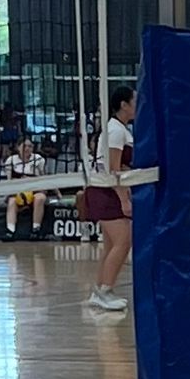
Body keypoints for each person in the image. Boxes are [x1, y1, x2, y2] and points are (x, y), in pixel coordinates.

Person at [83, 83, 135, 315]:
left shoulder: (120, 129)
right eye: (135, 101)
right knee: (124, 241)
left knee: (111, 245)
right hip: (106, 192)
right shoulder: (115, 130)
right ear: (124, 105)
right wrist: (124, 199)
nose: (138, 105)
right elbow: (113, 168)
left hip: (107, 190)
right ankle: (105, 290)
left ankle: (100, 291)